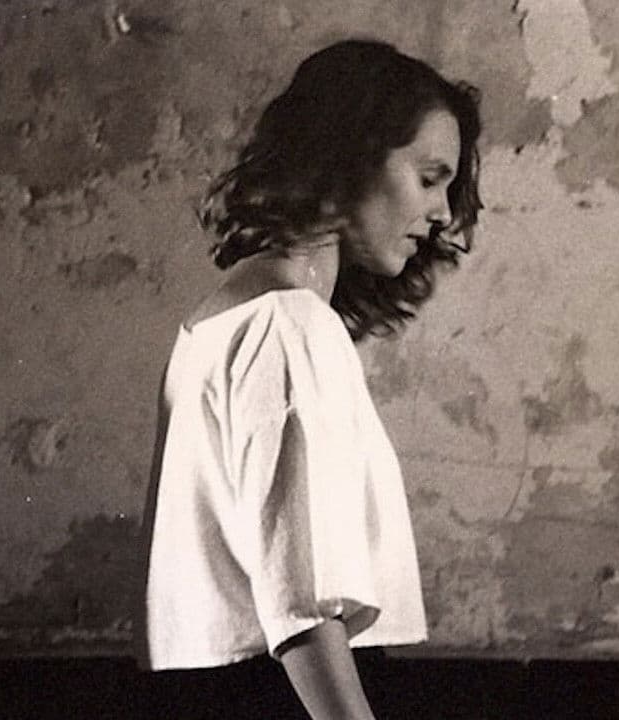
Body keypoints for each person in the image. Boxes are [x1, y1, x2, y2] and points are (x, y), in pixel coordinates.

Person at [139, 39, 482, 719]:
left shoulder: (223, 318)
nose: (444, 213)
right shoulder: (288, 327)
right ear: (346, 159)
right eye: (429, 177)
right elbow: (302, 602)